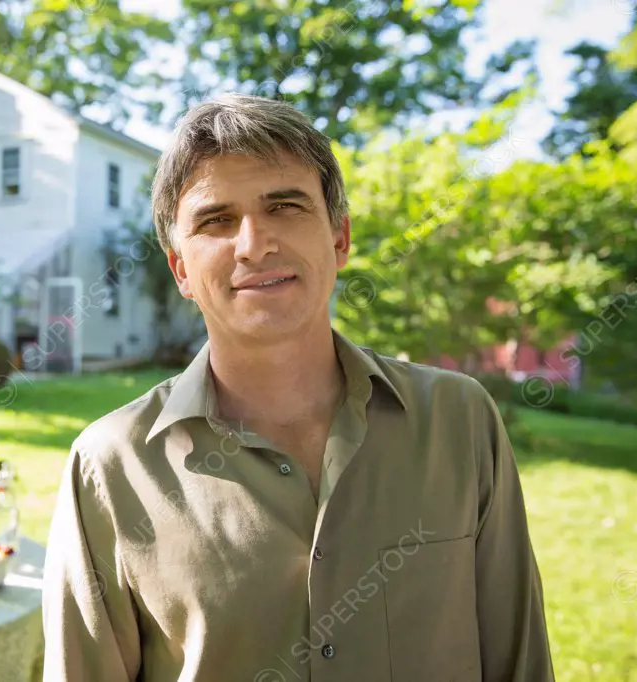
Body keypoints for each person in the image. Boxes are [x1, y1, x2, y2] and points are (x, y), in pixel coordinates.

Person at [41, 93, 555, 681]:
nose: (254, 243)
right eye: (216, 220)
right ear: (181, 268)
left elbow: (521, 665)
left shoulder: (460, 422)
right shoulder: (110, 466)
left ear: (339, 239)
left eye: (284, 206)